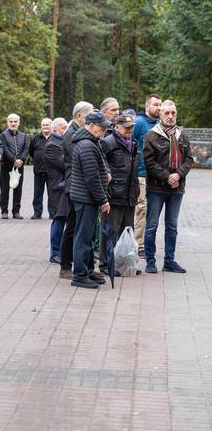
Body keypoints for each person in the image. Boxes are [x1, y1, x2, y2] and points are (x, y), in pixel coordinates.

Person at [143, 100, 193, 274]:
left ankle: (169, 261)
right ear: (160, 114)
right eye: (167, 113)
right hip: (156, 188)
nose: (171, 116)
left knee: (172, 226)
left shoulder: (183, 135)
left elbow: (189, 160)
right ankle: (150, 261)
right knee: (151, 225)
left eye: (173, 113)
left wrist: (178, 175)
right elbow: (149, 162)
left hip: (177, 188)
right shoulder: (151, 135)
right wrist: (167, 176)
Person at [69, 111, 111, 289]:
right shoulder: (87, 145)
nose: (104, 131)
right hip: (86, 198)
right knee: (83, 237)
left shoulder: (91, 142)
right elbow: (92, 177)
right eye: (102, 128)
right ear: (91, 126)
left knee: (86, 236)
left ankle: (86, 270)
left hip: (87, 197)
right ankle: (79, 275)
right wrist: (103, 200)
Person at [98, 110, 141, 276]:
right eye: (126, 128)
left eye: (131, 127)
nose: (130, 131)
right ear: (116, 127)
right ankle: (105, 264)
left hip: (130, 194)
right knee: (110, 231)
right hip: (113, 194)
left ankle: (125, 264)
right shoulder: (108, 142)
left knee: (127, 231)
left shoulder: (134, 143)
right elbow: (101, 164)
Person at [59, 101, 94, 279]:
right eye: (88, 117)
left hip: (78, 185)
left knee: (76, 226)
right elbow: (79, 159)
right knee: (72, 226)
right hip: (74, 185)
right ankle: (65, 265)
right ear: (79, 116)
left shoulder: (78, 131)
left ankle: (79, 264)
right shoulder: (71, 134)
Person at [133, 94, 162, 257]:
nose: (159, 107)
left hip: (156, 176)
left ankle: (146, 243)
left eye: (160, 105)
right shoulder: (139, 122)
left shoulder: (159, 123)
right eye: (156, 105)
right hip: (141, 175)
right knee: (141, 210)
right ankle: (139, 246)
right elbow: (129, 144)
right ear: (147, 107)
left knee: (151, 211)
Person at [43, 117, 69, 264]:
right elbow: (64, 164)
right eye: (64, 127)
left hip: (63, 187)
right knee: (58, 220)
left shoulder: (61, 142)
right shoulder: (53, 144)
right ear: (55, 129)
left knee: (64, 219)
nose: (66, 130)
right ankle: (55, 253)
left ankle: (61, 252)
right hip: (58, 188)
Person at [0, 113, 28, 219]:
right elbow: (5, 149)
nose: (13, 123)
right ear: (8, 122)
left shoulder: (24, 136)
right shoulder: (3, 135)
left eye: (15, 121)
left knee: (18, 189)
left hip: (19, 166)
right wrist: (13, 160)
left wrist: (21, 160)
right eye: (11, 121)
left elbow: (26, 149)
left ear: (19, 123)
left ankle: (16, 211)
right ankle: (4, 211)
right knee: (4, 189)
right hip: (6, 166)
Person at [29, 118, 52, 219]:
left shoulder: (55, 137)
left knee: (52, 194)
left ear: (51, 126)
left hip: (52, 172)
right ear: (41, 126)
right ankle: (37, 213)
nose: (45, 127)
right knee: (37, 193)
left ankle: (53, 213)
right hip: (38, 171)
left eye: (47, 125)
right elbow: (31, 151)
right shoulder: (36, 138)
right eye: (44, 125)